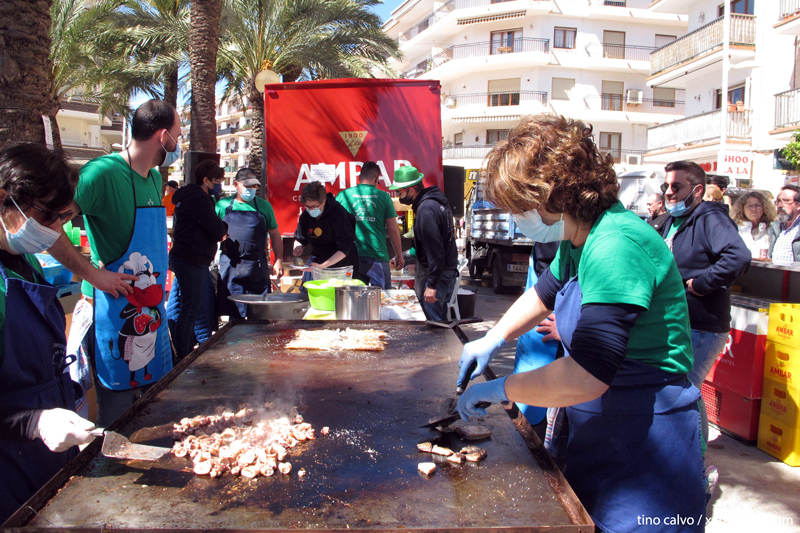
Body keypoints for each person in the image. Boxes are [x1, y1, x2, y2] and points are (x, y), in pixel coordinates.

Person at [455, 115, 706, 533]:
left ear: (553, 192)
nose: (516, 216)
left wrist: (500, 389)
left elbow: (587, 374)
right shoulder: (580, 237)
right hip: (603, 431)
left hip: (647, 446)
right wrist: (494, 337)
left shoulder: (615, 245)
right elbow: (545, 292)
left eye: (520, 205)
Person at [50, 99, 178, 427]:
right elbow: (48, 226)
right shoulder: (101, 174)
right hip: (112, 314)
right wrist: (93, 275)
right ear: (163, 137)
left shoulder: (153, 178)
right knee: (117, 419)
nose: (179, 144)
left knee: (154, 410)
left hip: (152, 314)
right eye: (178, 136)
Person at [0, 144, 96, 522]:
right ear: (4, 200)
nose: (57, 228)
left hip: (50, 458)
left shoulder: (24, 262)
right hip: (9, 473)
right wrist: (34, 421)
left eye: (63, 215)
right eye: (48, 214)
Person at [658, 160, 750, 443]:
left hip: (702, 324)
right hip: (678, 322)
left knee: (685, 391)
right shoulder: (671, 220)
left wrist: (701, 284)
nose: (669, 192)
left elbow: (738, 257)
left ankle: (694, 460)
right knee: (678, 390)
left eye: (676, 186)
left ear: (697, 190)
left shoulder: (710, 217)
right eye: (665, 186)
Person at [167, 161, 227, 359]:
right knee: (190, 308)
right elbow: (216, 228)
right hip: (191, 259)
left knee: (189, 306)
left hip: (186, 257)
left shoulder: (187, 196)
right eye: (217, 181)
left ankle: (182, 349)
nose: (219, 185)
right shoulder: (199, 199)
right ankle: (182, 354)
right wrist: (223, 228)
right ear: (206, 180)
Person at [389, 166, 457, 322]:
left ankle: (442, 339)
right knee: (438, 320)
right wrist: (403, 257)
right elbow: (424, 248)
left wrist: (432, 285)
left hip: (439, 276)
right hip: (445, 273)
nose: (398, 197)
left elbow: (435, 251)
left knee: (435, 324)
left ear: (411, 190)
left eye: (399, 192)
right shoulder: (435, 203)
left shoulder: (426, 210)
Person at [215, 168, 283, 319]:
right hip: (231, 266)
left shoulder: (264, 206)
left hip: (256, 266)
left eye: (254, 186)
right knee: (233, 314)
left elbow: (275, 234)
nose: (251, 189)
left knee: (259, 315)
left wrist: (278, 260)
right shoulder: (222, 205)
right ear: (236, 185)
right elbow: (211, 232)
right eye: (247, 186)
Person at [336, 161, 403, 289]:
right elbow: (393, 229)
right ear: (377, 179)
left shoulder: (343, 196)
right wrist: (399, 255)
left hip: (350, 257)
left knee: (352, 298)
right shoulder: (384, 197)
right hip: (378, 257)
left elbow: (334, 225)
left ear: (359, 177)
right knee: (381, 298)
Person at [293, 181, 361, 279]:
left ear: (323, 201)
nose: (311, 210)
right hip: (319, 263)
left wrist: (322, 266)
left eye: (314, 206)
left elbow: (345, 248)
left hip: (342, 267)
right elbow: (300, 238)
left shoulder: (338, 214)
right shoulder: (305, 216)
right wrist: (298, 247)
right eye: (308, 206)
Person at [730, 191, 776, 259]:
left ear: (764, 208)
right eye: (750, 205)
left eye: (758, 205)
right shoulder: (734, 229)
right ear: (742, 208)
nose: (754, 209)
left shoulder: (771, 229)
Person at [768, 185, 800, 265]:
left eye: (786, 201)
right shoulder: (774, 228)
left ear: (798, 205)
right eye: (778, 201)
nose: (780, 205)